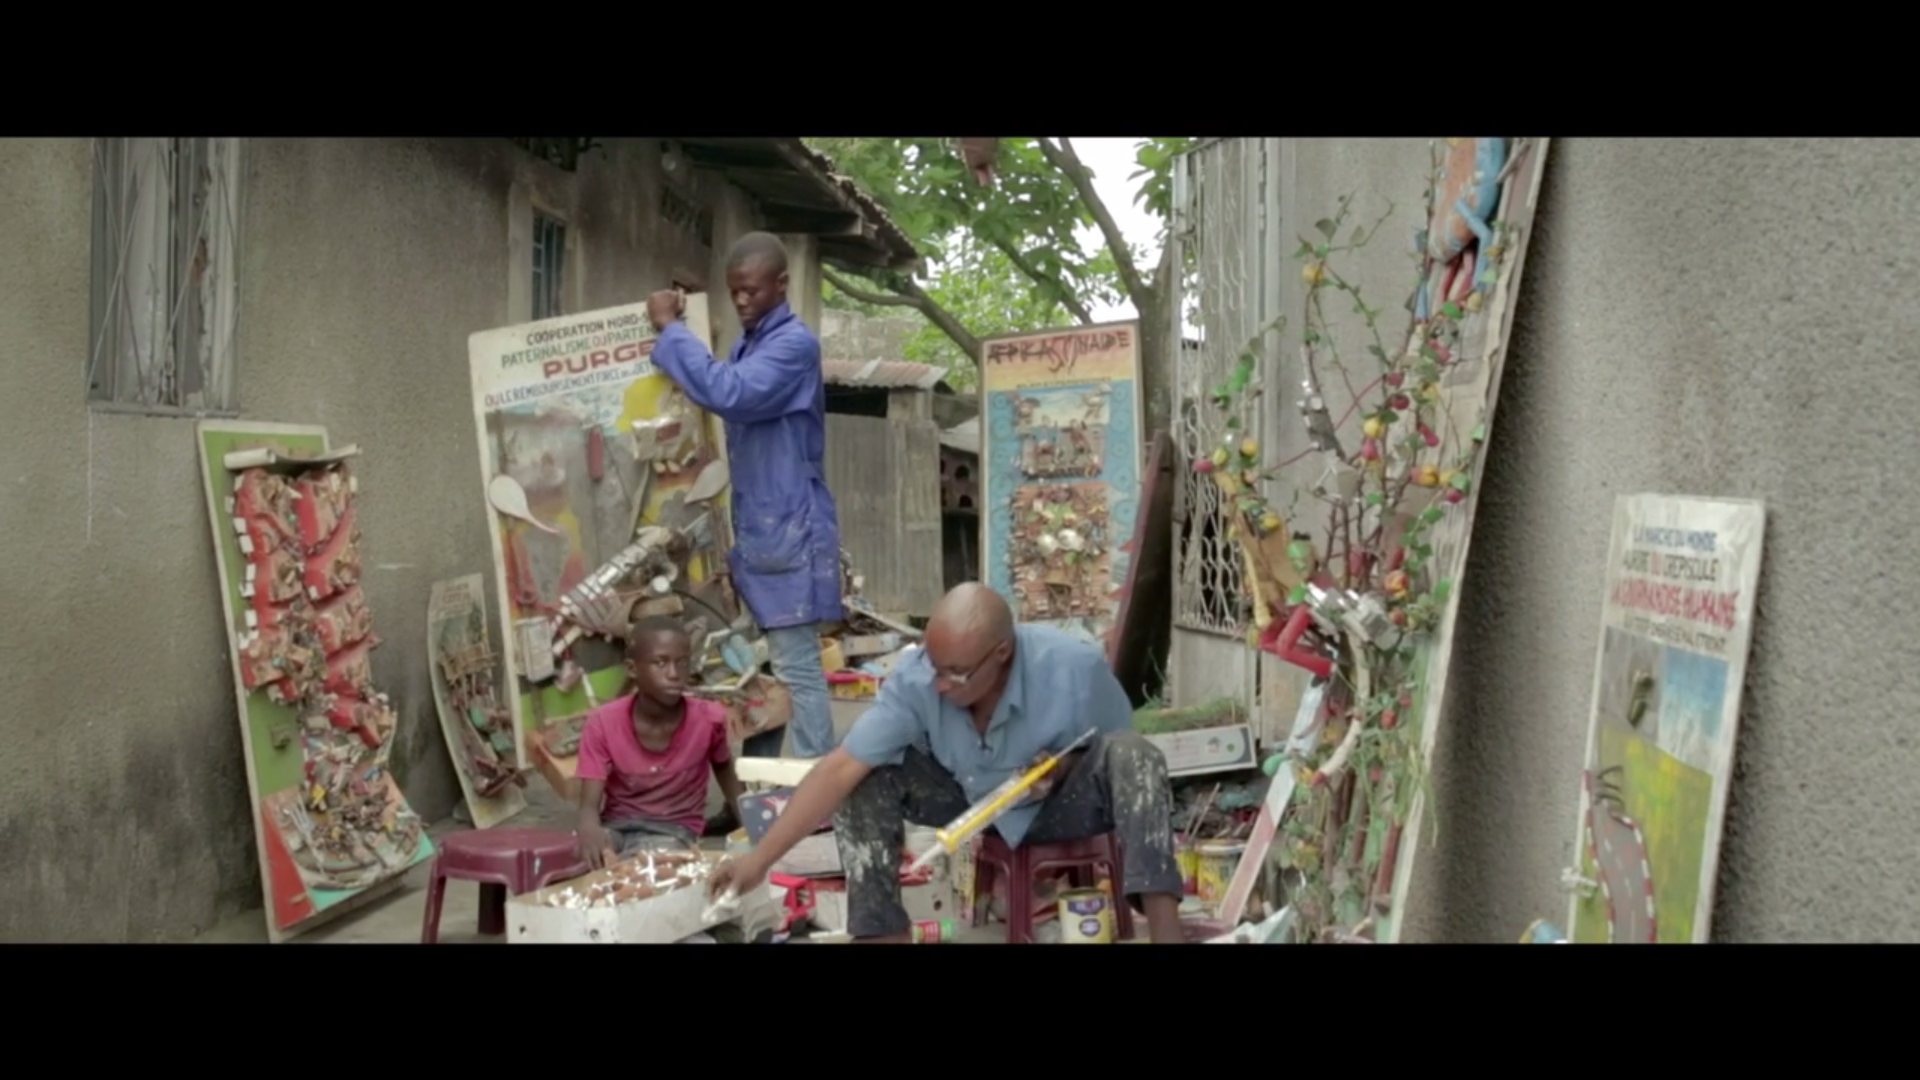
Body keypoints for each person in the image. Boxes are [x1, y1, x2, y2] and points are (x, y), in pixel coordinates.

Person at [706, 583, 1187, 943]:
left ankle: (1166, 930)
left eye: (955, 674)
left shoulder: (1073, 667)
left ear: (1002, 653)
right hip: (969, 799)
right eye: (936, 669)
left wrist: (1060, 768)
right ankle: (880, 932)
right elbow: (838, 769)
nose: (940, 685)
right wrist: (758, 860)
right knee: (866, 775)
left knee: (1136, 756)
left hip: (1058, 803)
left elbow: (1111, 747)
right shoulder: (919, 680)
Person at [646, 232, 840, 761]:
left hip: (788, 527)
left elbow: (728, 392)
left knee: (797, 666)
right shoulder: (751, 343)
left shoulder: (793, 345)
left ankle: (814, 794)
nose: (741, 302)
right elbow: (722, 378)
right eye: (733, 293)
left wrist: (671, 330)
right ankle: (765, 788)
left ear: (781, 285)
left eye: (751, 291)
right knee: (759, 668)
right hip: (762, 527)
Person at [575, 616, 744, 866]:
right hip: (618, 827)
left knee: (646, 868)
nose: (674, 674)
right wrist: (588, 828)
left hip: (674, 831)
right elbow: (589, 805)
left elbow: (724, 769)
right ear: (632, 669)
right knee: (579, 862)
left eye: (683, 663)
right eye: (660, 663)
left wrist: (753, 828)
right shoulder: (603, 723)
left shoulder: (709, 720)